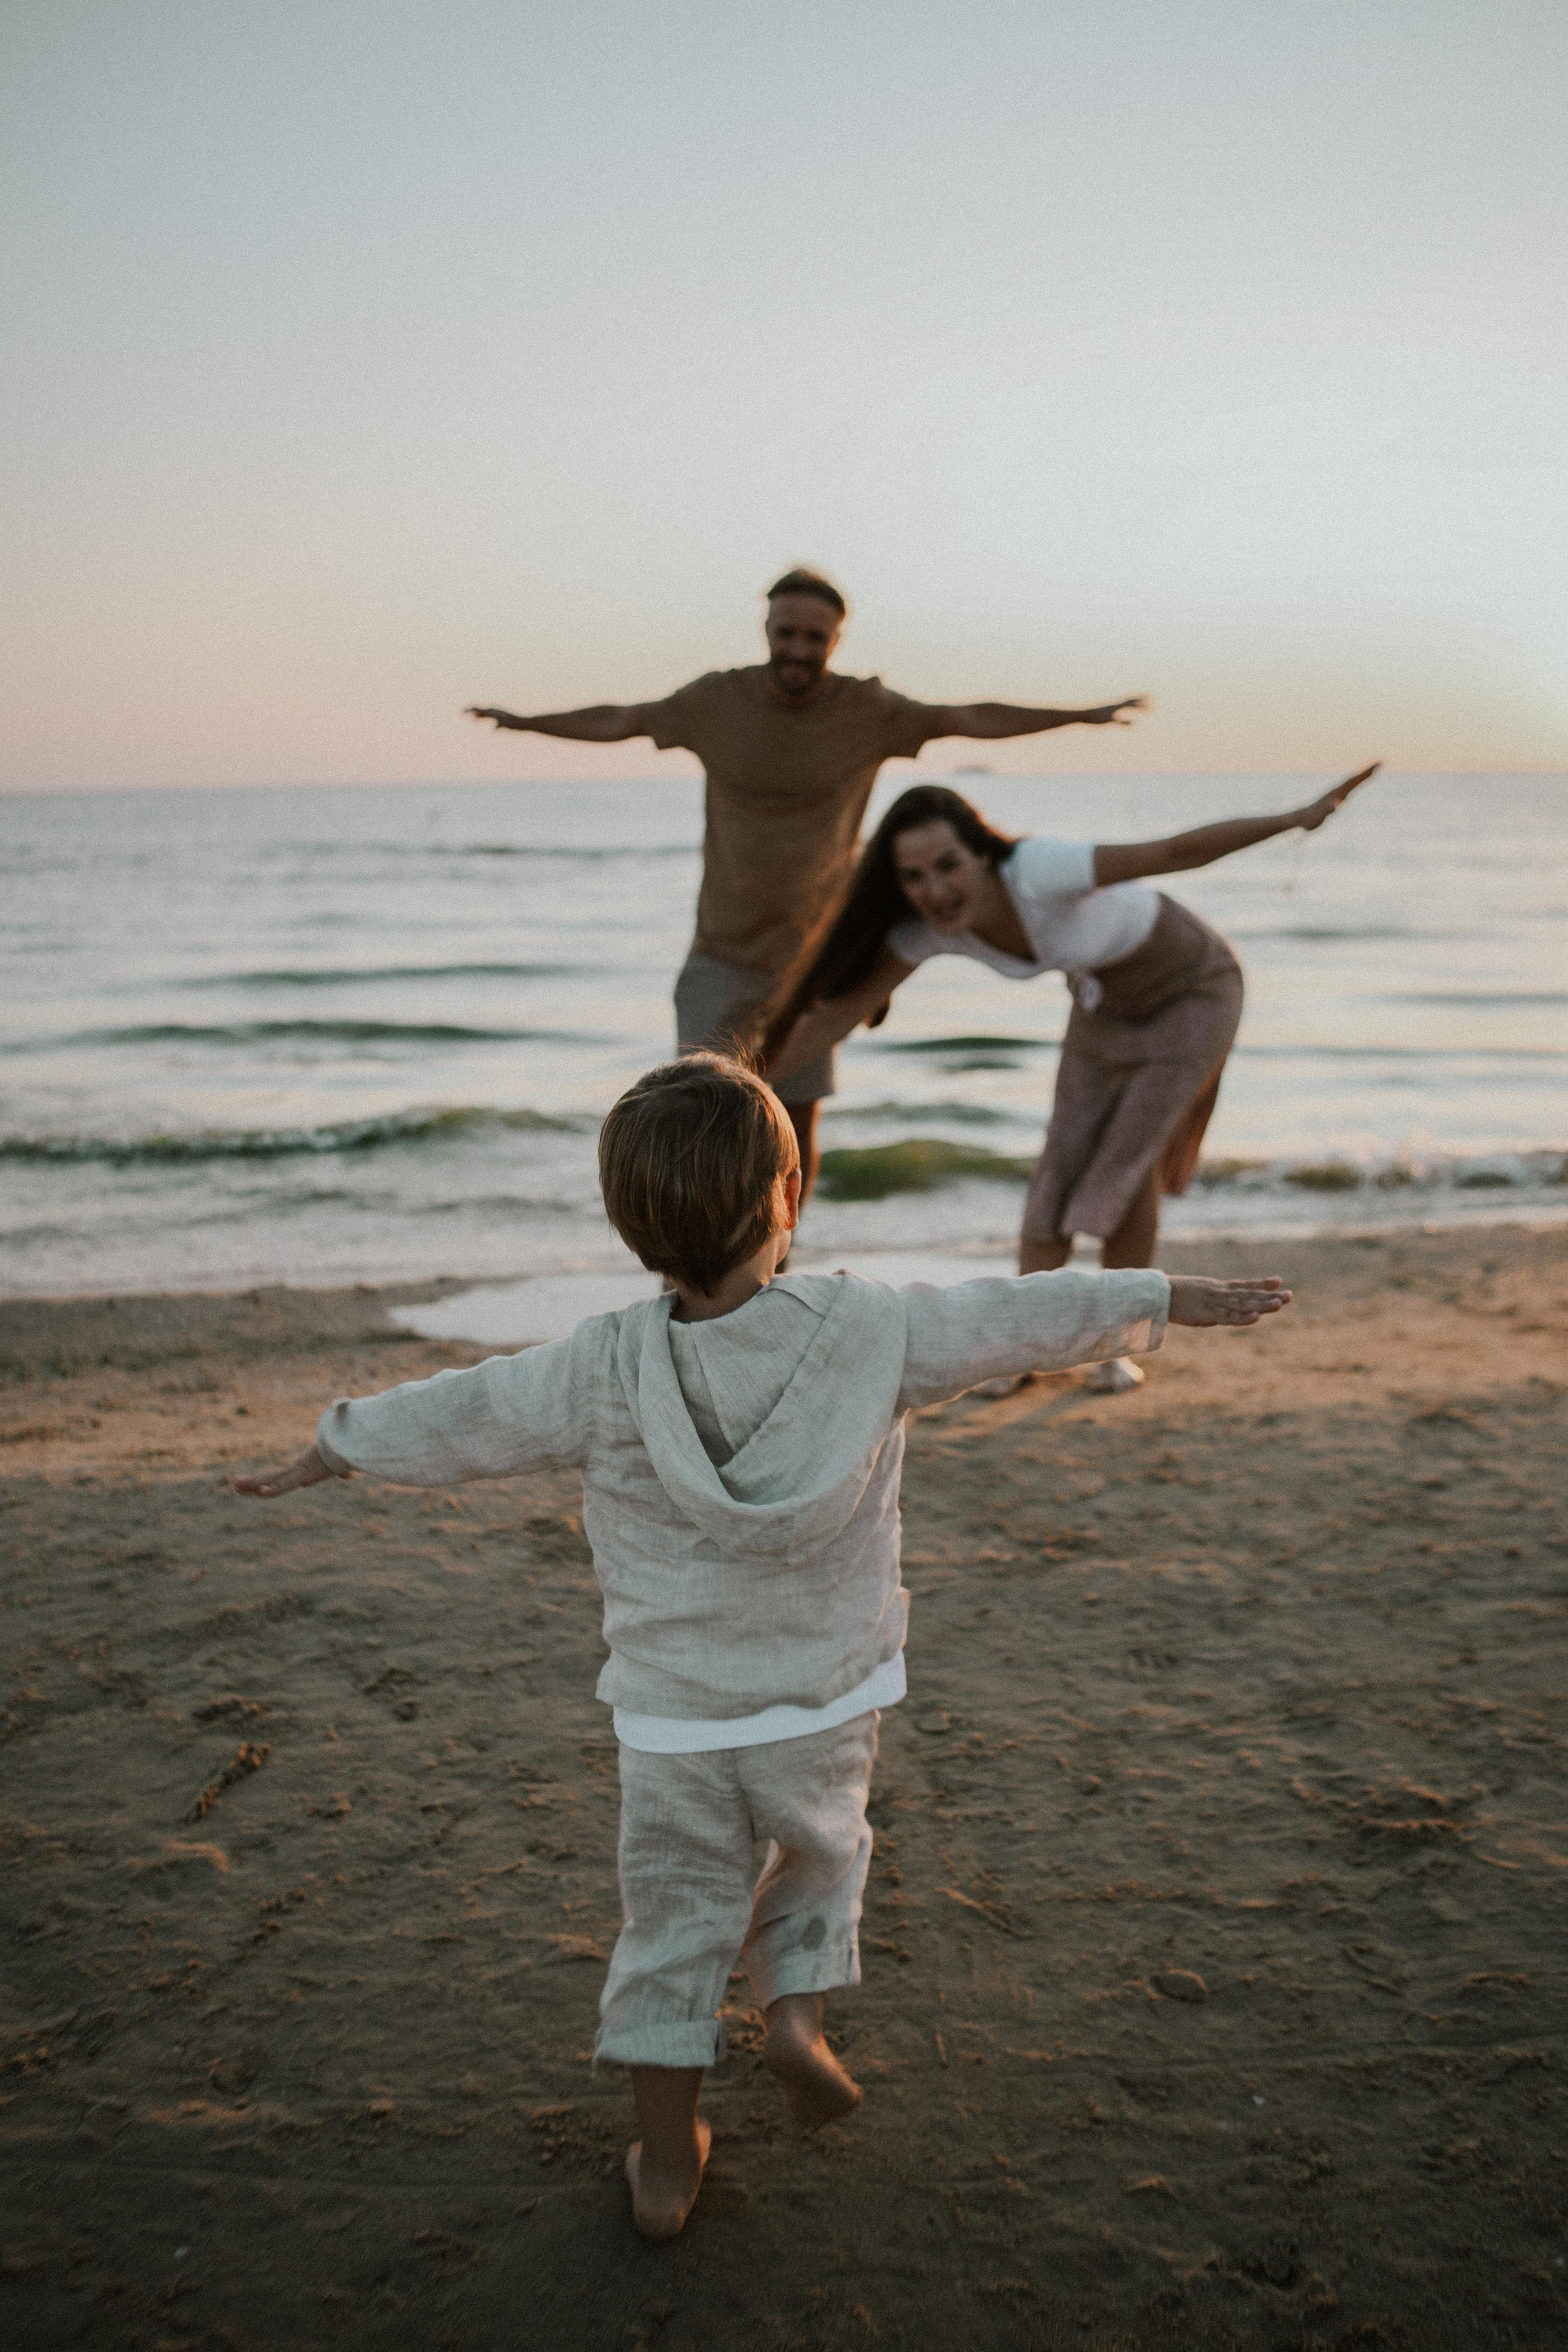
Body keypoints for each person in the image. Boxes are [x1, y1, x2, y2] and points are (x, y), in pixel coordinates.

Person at [234, 1054, 1292, 2241]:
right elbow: (1012, 1317)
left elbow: (467, 1413)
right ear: (787, 1196)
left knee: (675, 1921)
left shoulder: (597, 1366)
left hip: (674, 1718)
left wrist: (338, 1444)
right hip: (824, 1698)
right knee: (822, 1856)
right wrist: (1163, 1297)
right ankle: (793, 2019)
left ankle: (665, 2160)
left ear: (631, 1224)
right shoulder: (878, 1329)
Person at [467, 568, 1146, 1194]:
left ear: (835, 640)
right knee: (700, 1122)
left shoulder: (868, 710)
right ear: (766, 630)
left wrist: (1078, 715)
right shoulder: (715, 701)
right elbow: (622, 719)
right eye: (785, 633)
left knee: (792, 1130)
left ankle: (781, 1263)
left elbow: (967, 718)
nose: (797, 649)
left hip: (815, 962)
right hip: (720, 954)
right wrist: (526, 724)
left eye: (814, 638)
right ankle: (705, 1263)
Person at [764, 766, 1376, 1392]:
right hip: (1103, 999)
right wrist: (739, 1083)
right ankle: (1023, 1350)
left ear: (983, 854)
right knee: (1058, 1169)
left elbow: (1173, 852)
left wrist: (1293, 818)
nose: (936, 890)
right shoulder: (927, 930)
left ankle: (1115, 1349)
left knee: (1128, 1164)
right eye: (913, 877)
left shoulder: (1039, 869)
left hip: (1194, 989)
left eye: (948, 866)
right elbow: (833, 1017)